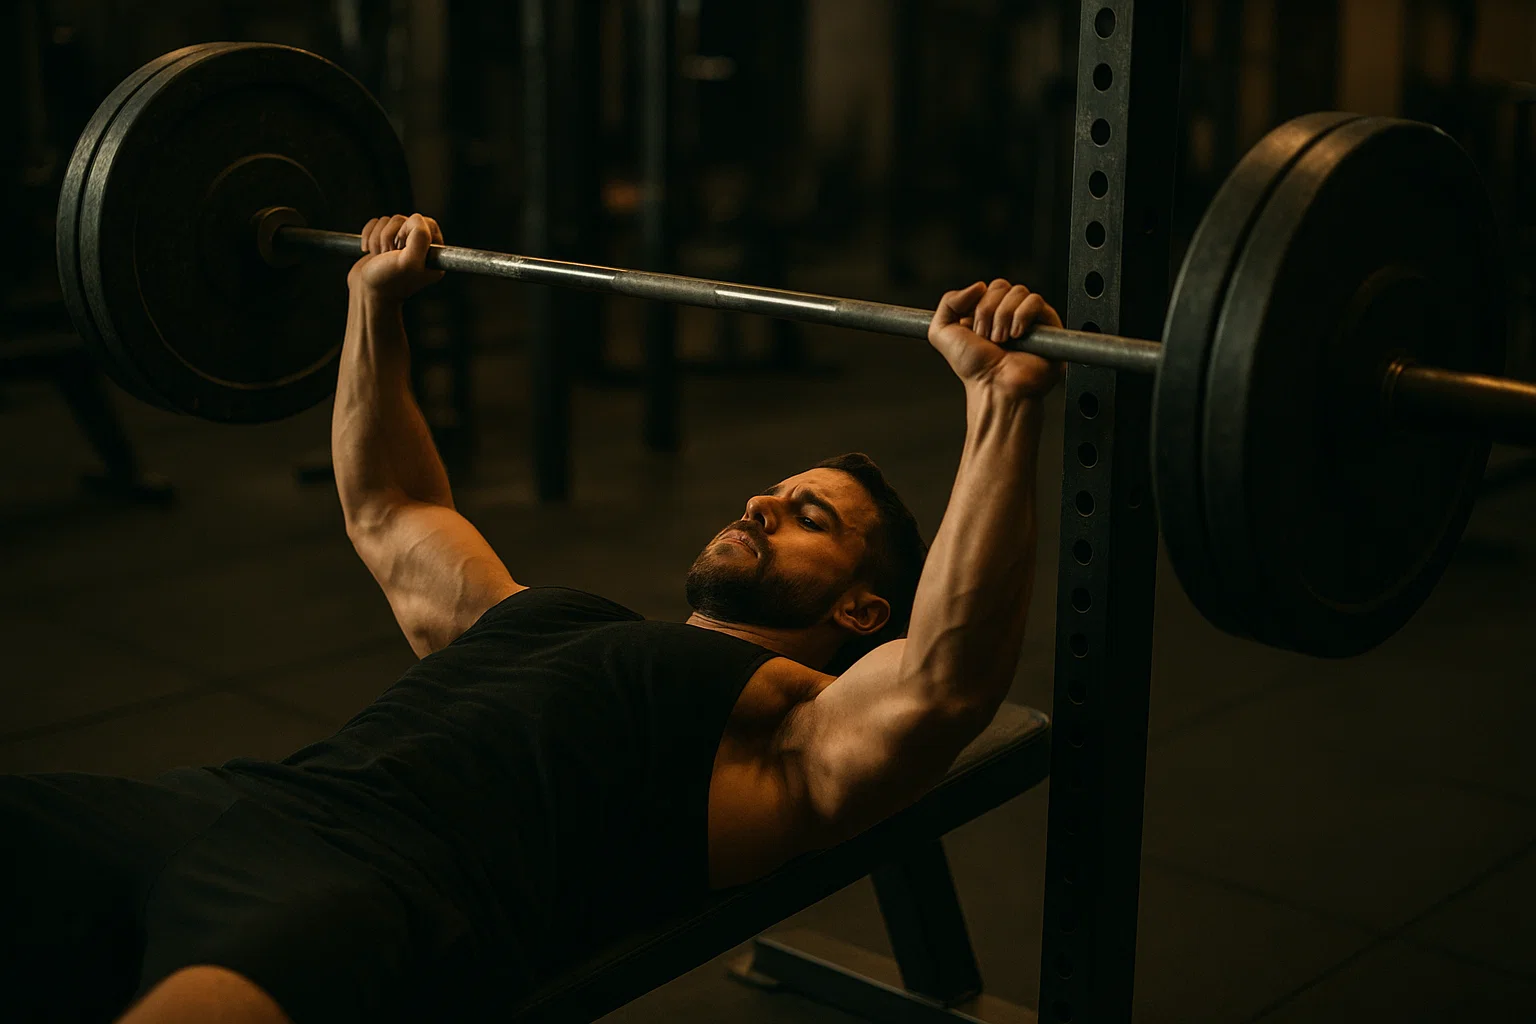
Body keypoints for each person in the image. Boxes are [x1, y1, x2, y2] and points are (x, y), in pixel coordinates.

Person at [1, 213, 1063, 1024]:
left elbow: (943, 679)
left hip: (369, 893)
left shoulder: (786, 727)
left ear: (861, 604)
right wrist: (374, 300)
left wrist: (1002, 400)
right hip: (223, 805)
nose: (761, 502)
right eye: (770, 491)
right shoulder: (536, 620)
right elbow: (393, 511)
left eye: (808, 514)